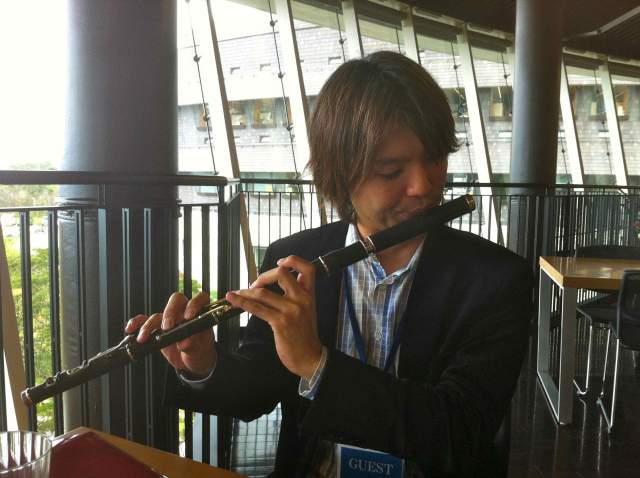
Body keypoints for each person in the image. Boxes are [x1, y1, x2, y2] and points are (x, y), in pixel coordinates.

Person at [126, 51, 533, 477]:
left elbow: (459, 431)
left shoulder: (496, 280)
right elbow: (257, 390)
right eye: (391, 170)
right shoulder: (293, 258)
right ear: (340, 172)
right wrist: (204, 363)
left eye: (434, 158)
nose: (423, 185)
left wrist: (317, 365)